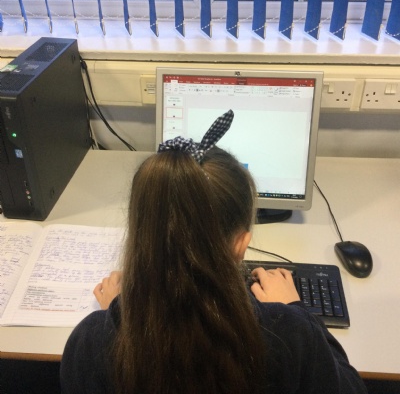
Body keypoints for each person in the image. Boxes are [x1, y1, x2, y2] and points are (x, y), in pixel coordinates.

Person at [60, 110, 367, 394]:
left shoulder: (89, 343)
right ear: (240, 245)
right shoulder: (290, 334)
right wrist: (295, 308)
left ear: (142, 236)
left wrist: (114, 315)